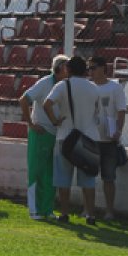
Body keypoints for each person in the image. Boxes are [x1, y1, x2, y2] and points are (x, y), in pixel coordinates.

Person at [42, 56, 102, 225]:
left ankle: (64, 213)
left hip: (66, 137)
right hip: (89, 138)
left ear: (68, 69)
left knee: (63, 177)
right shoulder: (94, 88)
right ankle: (90, 214)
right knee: (88, 179)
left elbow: (47, 104)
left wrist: (55, 120)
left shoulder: (62, 85)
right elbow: (97, 113)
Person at [20, 54, 68, 220]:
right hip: (41, 133)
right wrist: (31, 124)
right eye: (67, 66)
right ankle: (34, 210)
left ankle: (47, 209)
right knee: (37, 171)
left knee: (51, 174)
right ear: (59, 68)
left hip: (57, 134)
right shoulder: (44, 83)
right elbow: (24, 100)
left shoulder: (65, 85)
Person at [89, 56, 126, 221]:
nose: (91, 71)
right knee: (88, 176)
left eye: (94, 67)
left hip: (109, 140)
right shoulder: (88, 88)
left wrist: (118, 131)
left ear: (104, 68)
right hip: (91, 138)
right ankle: (88, 209)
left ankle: (109, 211)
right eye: (89, 68)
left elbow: (121, 111)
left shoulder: (115, 88)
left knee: (108, 177)